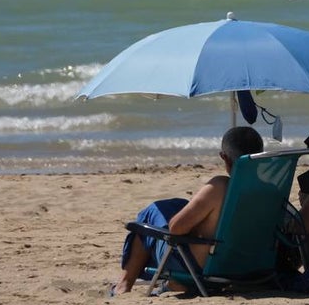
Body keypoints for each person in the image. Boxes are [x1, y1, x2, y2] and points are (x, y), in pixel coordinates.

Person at [112, 126, 264, 295]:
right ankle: (174, 284)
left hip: (203, 268)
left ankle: (124, 285)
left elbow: (176, 228)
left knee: (152, 213)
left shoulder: (219, 188)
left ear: (224, 157)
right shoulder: (271, 190)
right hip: (248, 268)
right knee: (177, 205)